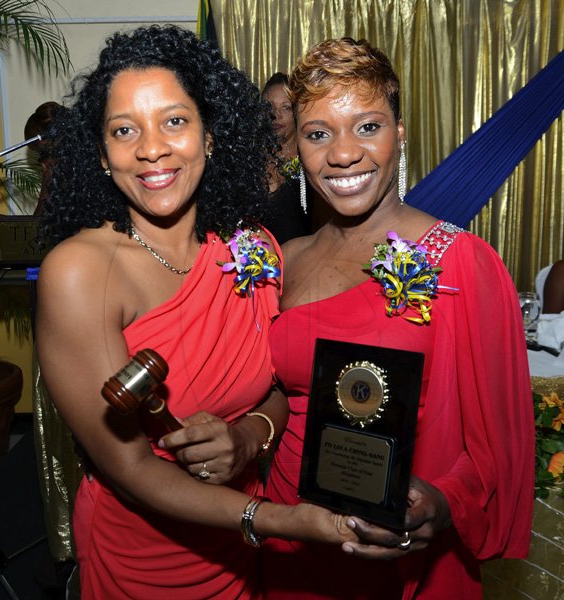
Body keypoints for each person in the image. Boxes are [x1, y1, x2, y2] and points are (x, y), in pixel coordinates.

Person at [36, 26, 359, 599]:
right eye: (124, 130)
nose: (151, 148)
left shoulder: (252, 248)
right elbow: (132, 470)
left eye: (175, 120)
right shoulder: (79, 272)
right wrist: (278, 520)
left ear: (211, 135)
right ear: (103, 152)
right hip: (144, 558)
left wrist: (248, 434)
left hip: (239, 549)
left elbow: (279, 389)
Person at [259, 38, 535, 599]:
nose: (342, 154)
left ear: (399, 131)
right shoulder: (283, 261)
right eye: (318, 133)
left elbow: (497, 439)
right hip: (290, 539)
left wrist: (444, 500)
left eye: (367, 126)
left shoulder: (460, 262)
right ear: (298, 147)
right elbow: (268, 393)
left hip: (400, 552)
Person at [261, 72, 311, 243]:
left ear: (298, 112)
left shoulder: (311, 161)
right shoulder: (250, 160)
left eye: (286, 107)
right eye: (269, 106)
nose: (275, 115)